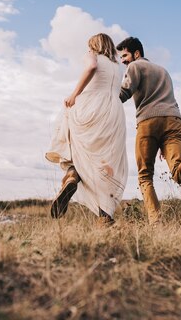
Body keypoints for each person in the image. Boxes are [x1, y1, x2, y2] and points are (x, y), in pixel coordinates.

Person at [117, 37, 181, 224]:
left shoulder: (134, 67)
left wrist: (101, 98)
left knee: (145, 175)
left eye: (125, 55)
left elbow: (123, 94)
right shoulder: (164, 71)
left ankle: (156, 222)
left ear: (137, 54)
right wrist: (163, 142)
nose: (123, 61)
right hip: (174, 120)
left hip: (148, 121)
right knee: (180, 176)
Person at [45, 33, 128, 224]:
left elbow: (91, 66)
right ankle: (105, 215)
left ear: (94, 45)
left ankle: (72, 173)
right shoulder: (117, 66)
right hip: (115, 114)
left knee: (67, 121)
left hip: (93, 106)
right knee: (105, 162)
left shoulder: (92, 56)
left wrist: (75, 94)